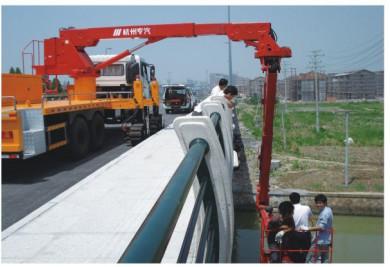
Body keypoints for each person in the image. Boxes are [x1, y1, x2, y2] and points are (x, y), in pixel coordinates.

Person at [306, 194, 334, 263]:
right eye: (317, 203)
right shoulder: (328, 209)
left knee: (309, 259)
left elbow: (321, 227)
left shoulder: (324, 213)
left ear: (325, 203)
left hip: (319, 242)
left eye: (320, 203)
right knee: (325, 260)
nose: (318, 205)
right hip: (326, 240)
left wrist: (308, 229)